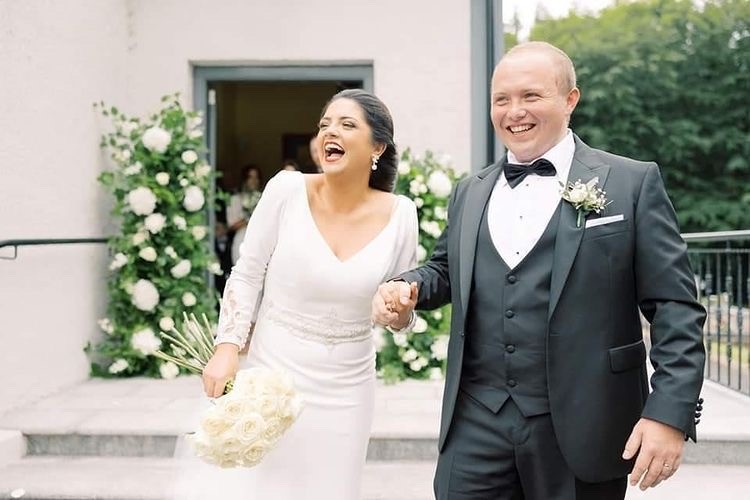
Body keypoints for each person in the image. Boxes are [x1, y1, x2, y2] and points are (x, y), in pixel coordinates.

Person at [372, 41, 706, 500]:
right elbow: (445, 268)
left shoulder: (631, 183)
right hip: (475, 423)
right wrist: (407, 285)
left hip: (585, 424)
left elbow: (675, 308)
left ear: (570, 100)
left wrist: (669, 412)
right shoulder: (470, 191)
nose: (514, 112)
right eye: (501, 99)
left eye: (531, 96)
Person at [200, 89, 418, 499]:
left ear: (378, 147)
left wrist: (400, 313)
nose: (329, 132)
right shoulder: (286, 190)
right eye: (324, 125)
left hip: (349, 386)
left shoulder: (402, 214)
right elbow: (247, 273)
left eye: (347, 124)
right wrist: (226, 347)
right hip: (273, 371)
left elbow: (400, 307)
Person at [226, 164, 263, 264]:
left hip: (260, 241)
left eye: (256, 177)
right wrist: (249, 217)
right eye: (251, 177)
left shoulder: (263, 199)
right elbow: (231, 226)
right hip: (241, 239)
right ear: (245, 180)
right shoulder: (235, 200)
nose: (254, 181)